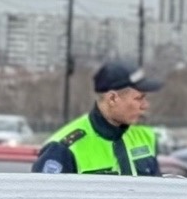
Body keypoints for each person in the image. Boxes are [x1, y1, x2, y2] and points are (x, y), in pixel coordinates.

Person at [34, 63, 166, 176]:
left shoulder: (145, 136)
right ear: (112, 99)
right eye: (139, 98)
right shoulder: (63, 149)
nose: (145, 105)